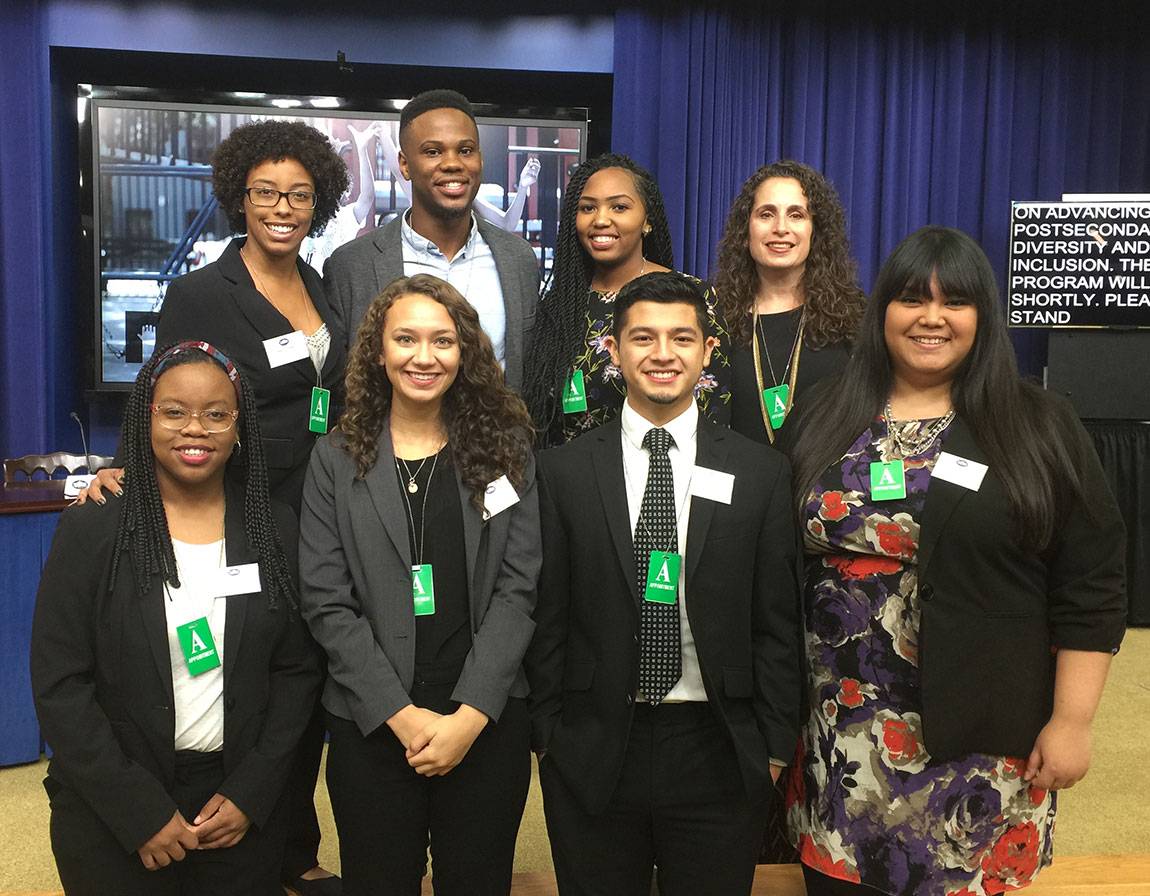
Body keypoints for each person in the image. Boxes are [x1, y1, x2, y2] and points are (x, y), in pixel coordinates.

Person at [783, 227, 1127, 895]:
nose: (931, 318)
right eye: (912, 299)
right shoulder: (827, 413)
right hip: (839, 737)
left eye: (955, 302)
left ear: (983, 318)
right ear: (882, 309)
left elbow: (1092, 581)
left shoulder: (1037, 425)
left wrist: (1073, 720)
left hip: (977, 738)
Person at [82, 118, 349, 895]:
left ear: (318, 202)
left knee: (308, 674)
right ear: (239, 196)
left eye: (299, 194)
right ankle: (251, 834)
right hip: (241, 508)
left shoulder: (320, 282)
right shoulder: (202, 290)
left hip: (320, 503)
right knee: (250, 672)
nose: (282, 207)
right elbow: (164, 395)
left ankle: (293, 839)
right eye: (266, 192)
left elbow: (321, 392)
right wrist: (120, 466)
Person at [526, 272, 803, 895]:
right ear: (613, 350)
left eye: (682, 338)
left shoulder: (758, 472)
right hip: (595, 743)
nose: (662, 354)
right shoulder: (562, 471)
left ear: (707, 352)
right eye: (643, 337)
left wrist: (775, 745)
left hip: (719, 745)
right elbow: (547, 615)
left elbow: (777, 620)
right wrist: (550, 736)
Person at [31, 341, 320, 896]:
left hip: (233, 810)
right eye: (174, 412)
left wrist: (251, 794)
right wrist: (137, 811)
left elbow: (296, 672)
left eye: (216, 414)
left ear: (240, 428)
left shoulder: (273, 527)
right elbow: (60, 684)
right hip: (112, 808)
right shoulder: (93, 529)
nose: (196, 429)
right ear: (146, 418)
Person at [299, 274, 540, 895]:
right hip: (373, 723)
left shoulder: (506, 449)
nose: (424, 357)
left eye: (443, 341)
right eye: (405, 339)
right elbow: (327, 603)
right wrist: (401, 717)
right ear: (377, 352)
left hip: (483, 721)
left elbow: (519, 588)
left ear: (466, 352)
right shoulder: (335, 458)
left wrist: (467, 718)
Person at [322, 90, 540, 389]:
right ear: (404, 164)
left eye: (465, 150)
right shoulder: (352, 266)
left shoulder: (518, 260)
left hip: (498, 435)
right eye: (433, 151)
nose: (452, 163)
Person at [523, 153, 733, 446]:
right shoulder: (559, 307)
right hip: (574, 482)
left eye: (619, 207)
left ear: (647, 220)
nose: (601, 219)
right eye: (587, 208)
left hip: (671, 473)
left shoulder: (692, 297)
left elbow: (714, 408)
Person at [714, 160, 865, 448]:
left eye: (796, 215)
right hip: (740, 485)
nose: (781, 228)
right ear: (746, 232)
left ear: (815, 231)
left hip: (824, 487)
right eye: (766, 214)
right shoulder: (714, 316)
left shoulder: (856, 316)